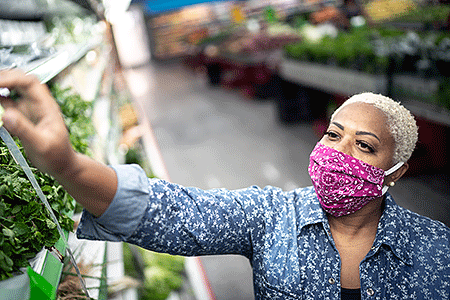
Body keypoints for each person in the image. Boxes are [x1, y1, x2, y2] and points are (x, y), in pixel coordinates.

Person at [1, 69, 449, 299]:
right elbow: (169, 210)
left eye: (365, 146)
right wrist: (66, 164)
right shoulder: (272, 217)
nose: (338, 152)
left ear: (398, 170)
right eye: (333, 134)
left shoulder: (437, 252)